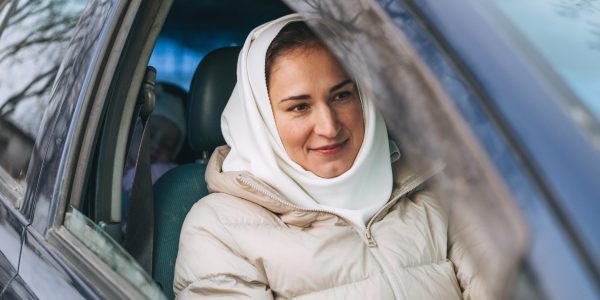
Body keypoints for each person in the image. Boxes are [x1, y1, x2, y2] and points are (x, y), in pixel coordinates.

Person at [174, 14, 487, 299]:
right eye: (300, 106)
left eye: (341, 96)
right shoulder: (219, 228)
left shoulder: (435, 190)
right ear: (261, 121)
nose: (329, 126)